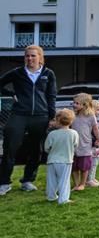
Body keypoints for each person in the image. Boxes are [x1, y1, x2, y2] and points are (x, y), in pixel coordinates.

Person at [0, 45, 58, 196]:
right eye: (27, 56)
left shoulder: (48, 74)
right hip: (19, 114)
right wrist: (10, 93)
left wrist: (52, 117)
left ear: (40, 57)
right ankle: (4, 182)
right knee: (9, 147)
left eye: (33, 56)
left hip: (40, 116)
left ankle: (27, 181)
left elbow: (51, 96)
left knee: (36, 149)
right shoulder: (17, 73)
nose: (30, 59)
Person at [43, 109, 78, 205]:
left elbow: (46, 148)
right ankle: (63, 199)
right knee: (64, 180)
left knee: (51, 180)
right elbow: (75, 145)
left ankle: (51, 196)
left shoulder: (52, 134)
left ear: (58, 120)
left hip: (52, 160)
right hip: (66, 160)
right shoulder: (73, 133)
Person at [70, 93, 99, 192]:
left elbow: (95, 129)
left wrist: (98, 139)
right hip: (73, 145)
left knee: (84, 166)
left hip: (85, 144)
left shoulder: (91, 116)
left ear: (84, 104)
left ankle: (82, 184)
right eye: (74, 102)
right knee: (74, 166)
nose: (74, 105)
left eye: (77, 103)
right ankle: (76, 184)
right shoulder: (72, 115)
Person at [86, 100, 99, 187]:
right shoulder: (91, 121)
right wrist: (95, 141)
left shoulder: (96, 120)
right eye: (97, 110)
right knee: (93, 163)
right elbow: (90, 134)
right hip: (93, 147)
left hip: (97, 147)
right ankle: (89, 179)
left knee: (96, 163)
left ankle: (92, 178)